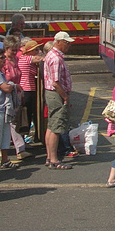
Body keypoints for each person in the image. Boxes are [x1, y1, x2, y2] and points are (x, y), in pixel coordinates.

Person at [43, 31, 75, 170]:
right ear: (58, 42)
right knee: (57, 127)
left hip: (51, 93)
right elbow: (56, 82)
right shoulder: (56, 58)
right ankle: (54, 159)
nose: (68, 45)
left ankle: (50, 157)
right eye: (66, 43)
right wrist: (65, 96)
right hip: (56, 94)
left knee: (51, 126)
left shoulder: (51, 55)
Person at [0, 36, 32, 160]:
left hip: (15, 93)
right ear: (6, 49)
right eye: (12, 50)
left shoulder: (16, 59)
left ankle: (19, 148)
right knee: (6, 122)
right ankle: (15, 149)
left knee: (14, 121)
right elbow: (3, 79)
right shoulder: (3, 61)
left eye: (15, 50)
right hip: (5, 95)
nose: (14, 52)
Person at [17, 38, 43, 142]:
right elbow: (40, 59)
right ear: (30, 51)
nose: (38, 51)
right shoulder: (27, 58)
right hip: (27, 89)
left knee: (29, 113)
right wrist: (41, 55)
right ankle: (23, 137)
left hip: (28, 88)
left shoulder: (24, 58)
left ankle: (26, 137)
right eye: (36, 50)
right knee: (26, 115)